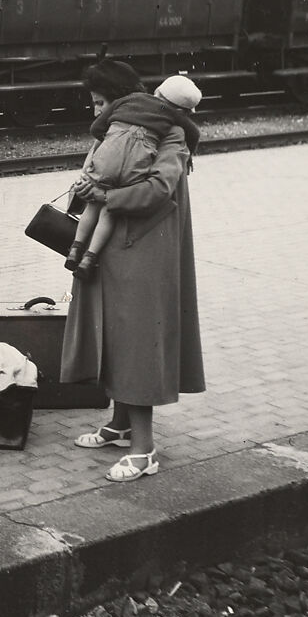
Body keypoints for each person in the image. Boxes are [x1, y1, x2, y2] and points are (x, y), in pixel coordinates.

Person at [59, 61, 206, 483]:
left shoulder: (171, 135)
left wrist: (103, 193)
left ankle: (144, 451)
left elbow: (158, 190)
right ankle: (120, 425)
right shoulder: (125, 128)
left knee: (137, 343)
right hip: (117, 249)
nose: (98, 112)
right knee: (117, 337)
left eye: (102, 103)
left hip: (144, 252)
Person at [65, 74, 203, 281]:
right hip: (131, 183)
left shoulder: (127, 110)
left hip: (125, 234)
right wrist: (190, 154)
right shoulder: (177, 127)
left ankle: (76, 249)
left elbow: (96, 131)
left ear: (157, 91)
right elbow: (194, 134)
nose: (97, 111)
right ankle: (88, 257)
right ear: (185, 112)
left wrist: (111, 140)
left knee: (95, 205)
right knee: (108, 211)